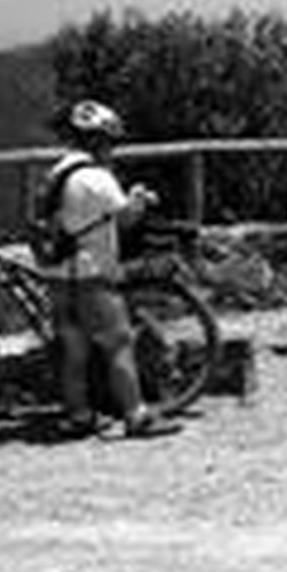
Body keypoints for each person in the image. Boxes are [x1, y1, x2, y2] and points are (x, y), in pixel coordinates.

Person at [45, 99, 182, 439]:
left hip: (59, 274)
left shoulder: (56, 172)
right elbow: (126, 219)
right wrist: (139, 199)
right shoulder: (97, 178)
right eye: (109, 141)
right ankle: (137, 416)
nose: (112, 148)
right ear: (97, 140)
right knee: (118, 343)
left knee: (73, 351)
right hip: (92, 273)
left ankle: (78, 416)